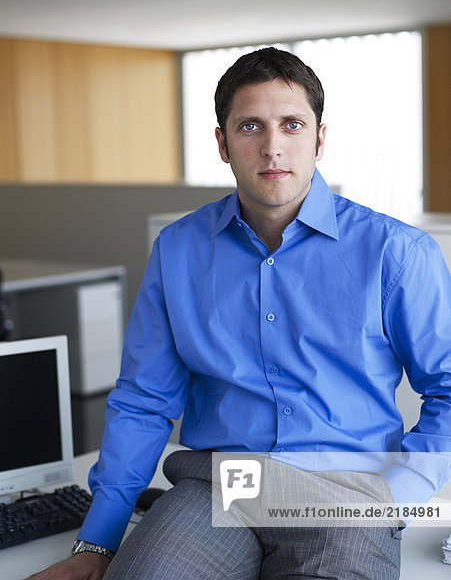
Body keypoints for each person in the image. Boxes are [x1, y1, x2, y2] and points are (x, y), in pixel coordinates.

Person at [26, 47, 451, 580]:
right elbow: (144, 398)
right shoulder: (178, 250)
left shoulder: (396, 252)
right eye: (251, 126)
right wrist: (98, 542)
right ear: (223, 145)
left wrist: (393, 499)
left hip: (344, 493)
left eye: (292, 125)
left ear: (320, 139)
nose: (273, 148)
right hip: (219, 486)